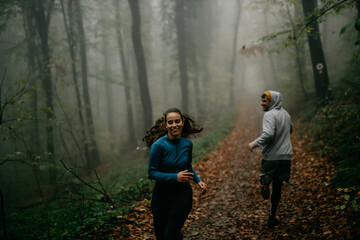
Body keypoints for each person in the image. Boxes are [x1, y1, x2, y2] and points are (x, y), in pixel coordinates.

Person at [144, 107, 207, 240]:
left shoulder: (187, 144)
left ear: (182, 122)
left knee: (170, 234)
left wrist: (198, 180)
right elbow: (151, 172)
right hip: (161, 196)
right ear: (166, 125)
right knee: (161, 236)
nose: (174, 125)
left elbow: (188, 167)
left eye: (177, 121)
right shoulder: (158, 146)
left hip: (182, 195)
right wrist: (175, 177)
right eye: (170, 122)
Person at [248, 91, 293, 228]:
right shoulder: (286, 114)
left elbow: (268, 134)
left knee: (267, 175)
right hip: (285, 156)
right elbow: (290, 129)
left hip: (271, 156)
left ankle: (265, 179)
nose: (261, 104)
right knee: (278, 188)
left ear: (272, 102)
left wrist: (253, 144)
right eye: (261, 101)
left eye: (264, 101)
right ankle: (272, 217)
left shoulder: (269, 114)